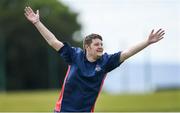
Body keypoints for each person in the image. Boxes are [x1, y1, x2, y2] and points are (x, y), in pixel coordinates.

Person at [24, 6, 165, 112]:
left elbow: (127, 53)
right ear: (87, 47)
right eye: (96, 44)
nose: (100, 47)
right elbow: (53, 41)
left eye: (101, 44)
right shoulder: (74, 56)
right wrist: (37, 23)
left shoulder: (106, 62)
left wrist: (147, 42)